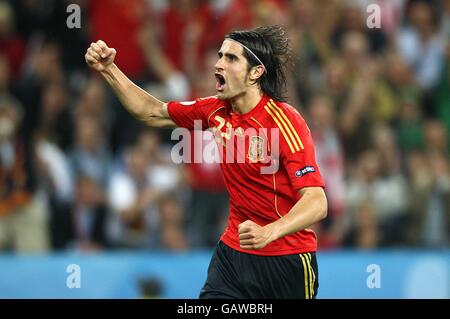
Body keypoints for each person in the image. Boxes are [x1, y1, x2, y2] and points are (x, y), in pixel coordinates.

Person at [85, 25, 328, 299]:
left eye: (231, 58)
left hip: (287, 260)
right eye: (220, 55)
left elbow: (317, 202)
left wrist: (270, 231)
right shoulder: (215, 110)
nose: (218, 64)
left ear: (256, 72)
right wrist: (109, 69)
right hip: (233, 257)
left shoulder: (285, 121)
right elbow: (152, 112)